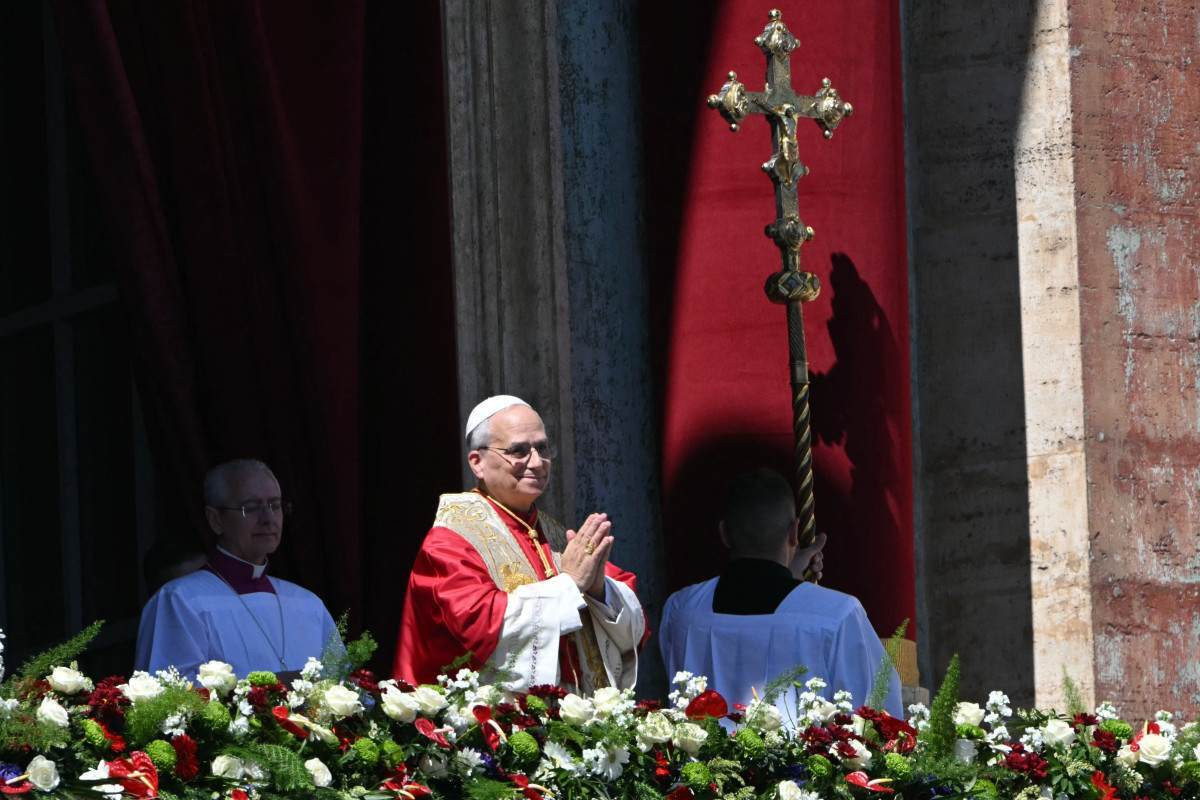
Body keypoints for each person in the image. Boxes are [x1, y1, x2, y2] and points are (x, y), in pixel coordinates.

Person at [394, 395, 646, 692]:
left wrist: (597, 589)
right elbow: (475, 626)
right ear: (477, 462)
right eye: (518, 450)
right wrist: (570, 584)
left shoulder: (555, 535)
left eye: (542, 448)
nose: (537, 462)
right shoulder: (451, 539)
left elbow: (634, 624)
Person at [658, 468, 902, 720]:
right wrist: (797, 587)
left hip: (702, 760)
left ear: (724, 533)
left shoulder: (683, 611)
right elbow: (876, 711)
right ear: (795, 532)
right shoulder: (837, 615)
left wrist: (792, 580)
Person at [134, 459, 339, 681]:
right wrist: (274, 688)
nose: (268, 519)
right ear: (216, 520)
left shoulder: (307, 603)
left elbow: (343, 685)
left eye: (275, 505)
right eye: (250, 508)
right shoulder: (180, 600)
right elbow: (170, 695)